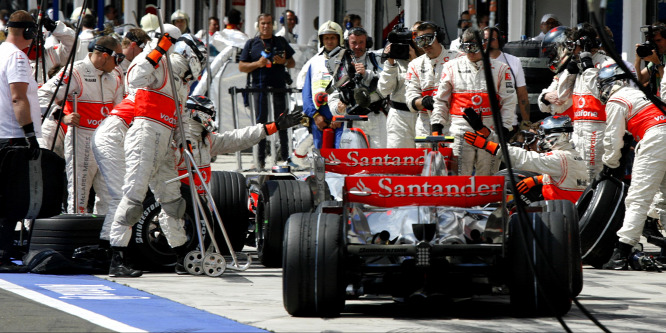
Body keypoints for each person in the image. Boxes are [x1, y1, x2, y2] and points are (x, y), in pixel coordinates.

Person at [108, 28, 206, 277]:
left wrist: (185, 142)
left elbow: (181, 117)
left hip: (166, 141)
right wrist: (160, 48)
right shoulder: (159, 61)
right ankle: (117, 257)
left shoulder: (182, 84)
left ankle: (181, 255)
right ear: (190, 56)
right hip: (145, 133)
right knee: (134, 196)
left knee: (173, 201)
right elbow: (134, 79)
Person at [38, 36, 124, 214]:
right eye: (118, 58)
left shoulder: (116, 75)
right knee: (79, 194)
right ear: (105, 55)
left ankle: (104, 238)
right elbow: (42, 95)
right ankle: (76, 237)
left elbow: (119, 109)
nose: (120, 63)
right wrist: (60, 116)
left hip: (107, 141)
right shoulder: (75, 71)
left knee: (110, 194)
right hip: (81, 138)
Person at [597, 60, 666, 270]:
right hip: (661, 132)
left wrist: (609, 164)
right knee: (664, 198)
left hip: (655, 138)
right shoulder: (641, 94)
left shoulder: (617, 100)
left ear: (607, 84)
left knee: (638, 198)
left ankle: (621, 253)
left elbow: (612, 140)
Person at [431, 28, 517, 176]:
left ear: (483, 45)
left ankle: (488, 200)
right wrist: (436, 125)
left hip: (490, 130)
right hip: (460, 130)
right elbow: (441, 100)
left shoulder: (501, 68)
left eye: (474, 47)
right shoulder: (450, 67)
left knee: (488, 176)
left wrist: (504, 128)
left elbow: (508, 101)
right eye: (466, 47)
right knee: (458, 177)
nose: (470, 52)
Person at [92, 30, 150, 246]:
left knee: (112, 197)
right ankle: (113, 252)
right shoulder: (145, 91)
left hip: (111, 133)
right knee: (121, 197)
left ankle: (107, 245)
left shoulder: (129, 82)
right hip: (106, 136)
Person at [180, 95, 302, 192]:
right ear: (196, 114)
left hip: (203, 200)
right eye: (209, 114)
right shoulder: (177, 142)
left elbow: (237, 139)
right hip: (180, 201)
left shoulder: (208, 139)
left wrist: (274, 126)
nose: (212, 118)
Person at [464, 113, 587, 203]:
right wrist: (487, 134)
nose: (540, 139)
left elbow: (523, 158)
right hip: (564, 210)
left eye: (542, 135)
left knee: (509, 180)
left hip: (563, 217)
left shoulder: (560, 158)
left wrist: (486, 145)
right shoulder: (571, 155)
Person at [0, 10, 41, 270]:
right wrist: (29, 134)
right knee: (11, 198)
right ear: (27, 32)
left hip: (2, 134)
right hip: (13, 136)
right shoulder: (16, 57)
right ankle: (3, 254)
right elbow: (18, 97)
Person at [239, 13, 295, 169]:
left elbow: (292, 63)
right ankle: (261, 160)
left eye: (269, 23)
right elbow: (242, 66)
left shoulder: (280, 41)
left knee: (282, 122)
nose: (266, 26)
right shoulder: (252, 43)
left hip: (279, 87)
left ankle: (285, 157)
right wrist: (258, 64)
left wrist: (283, 62)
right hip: (259, 88)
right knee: (261, 124)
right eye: (263, 23)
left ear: (273, 25)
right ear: (258, 25)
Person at [556, 23, 610, 181]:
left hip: (597, 128)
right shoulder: (578, 64)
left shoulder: (606, 63)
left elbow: (603, 94)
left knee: (592, 177)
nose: (571, 49)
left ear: (586, 43)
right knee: (578, 176)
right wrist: (570, 71)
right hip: (577, 127)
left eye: (573, 44)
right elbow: (562, 95)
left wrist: (588, 67)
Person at [405, 22, 461, 148]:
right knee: (425, 166)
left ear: (439, 37)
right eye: (420, 41)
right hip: (425, 125)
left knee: (453, 166)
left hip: (452, 124)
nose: (425, 45)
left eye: (428, 39)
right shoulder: (414, 65)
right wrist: (424, 102)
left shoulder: (458, 60)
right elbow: (410, 100)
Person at [328, 27, 386, 148]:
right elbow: (333, 93)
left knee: (379, 159)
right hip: (352, 119)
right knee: (354, 160)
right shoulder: (339, 64)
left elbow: (387, 84)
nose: (357, 47)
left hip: (376, 116)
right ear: (347, 43)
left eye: (361, 42)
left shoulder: (377, 58)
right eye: (354, 43)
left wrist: (366, 74)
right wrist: (337, 109)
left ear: (367, 43)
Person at [302, 20, 345, 148]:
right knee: (319, 155)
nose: (329, 41)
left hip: (340, 115)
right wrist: (315, 115)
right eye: (326, 38)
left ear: (339, 39)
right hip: (319, 115)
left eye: (332, 38)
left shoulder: (347, 60)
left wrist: (340, 116)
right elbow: (307, 92)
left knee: (339, 152)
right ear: (321, 40)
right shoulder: (314, 62)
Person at [379, 22, 421, 149]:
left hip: (422, 115)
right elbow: (384, 90)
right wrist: (390, 63)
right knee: (399, 159)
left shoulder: (427, 59)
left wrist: (414, 61)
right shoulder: (395, 60)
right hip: (399, 117)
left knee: (424, 159)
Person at [192, 9, 248, 96]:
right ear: (241, 22)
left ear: (225, 21)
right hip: (239, 78)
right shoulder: (245, 39)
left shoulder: (216, 37)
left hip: (214, 78)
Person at [483, 26, 530, 129]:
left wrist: (526, 123)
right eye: (485, 40)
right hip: (483, 125)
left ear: (500, 40)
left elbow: (522, 94)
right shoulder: (477, 63)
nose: (487, 42)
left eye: (492, 39)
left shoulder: (514, 61)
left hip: (508, 124)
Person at [538, 26, 574, 119]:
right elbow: (542, 106)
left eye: (553, 54)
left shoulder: (580, 70)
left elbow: (558, 105)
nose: (552, 57)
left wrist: (551, 101)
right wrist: (546, 96)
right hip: (565, 125)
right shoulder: (561, 73)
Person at [634, 24, 666, 96]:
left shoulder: (658, 60)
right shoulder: (660, 57)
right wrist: (638, 58)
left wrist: (658, 64)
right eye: (654, 42)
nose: (656, 44)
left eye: (659, 40)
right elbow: (640, 80)